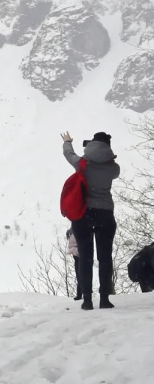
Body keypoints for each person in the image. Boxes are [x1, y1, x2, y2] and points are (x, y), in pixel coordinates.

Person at [62, 131, 121, 310]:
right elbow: (112, 170)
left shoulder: (82, 164)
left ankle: (87, 300)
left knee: (86, 257)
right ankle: (104, 299)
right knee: (105, 258)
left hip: (83, 214)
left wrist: (68, 142)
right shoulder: (114, 168)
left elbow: (68, 154)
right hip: (105, 213)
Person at [67, 227, 82, 300]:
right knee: (80, 273)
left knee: (80, 273)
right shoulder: (75, 228)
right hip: (77, 251)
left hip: (77, 251)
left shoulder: (74, 227)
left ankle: (81, 293)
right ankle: (81, 293)